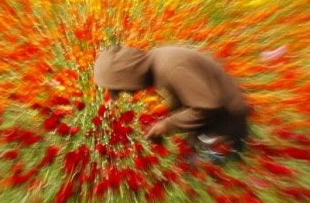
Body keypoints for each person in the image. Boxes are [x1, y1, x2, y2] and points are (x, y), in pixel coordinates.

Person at [93, 44, 250, 161]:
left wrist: (166, 125)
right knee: (189, 161)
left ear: (130, 75)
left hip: (226, 122)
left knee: (203, 174)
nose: (125, 94)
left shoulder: (171, 68)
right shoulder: (156, 63)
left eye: (121, 89)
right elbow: (184, 98)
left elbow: (206, 106)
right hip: (212, 121)